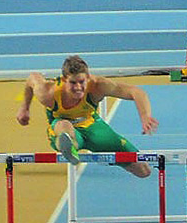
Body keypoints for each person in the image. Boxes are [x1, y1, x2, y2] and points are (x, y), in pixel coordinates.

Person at [16, 56, 158, 179]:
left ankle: (99, 152)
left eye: (81, 82)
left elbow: (136, 92)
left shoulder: (98, 86)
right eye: (73, 83)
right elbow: (32, 78)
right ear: (64, 80)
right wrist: (24, 108)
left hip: (91, 125)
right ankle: (69, 148)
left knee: (143, 170)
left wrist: (145, 116)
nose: (78, 87)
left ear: (88, 78)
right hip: (62, 127)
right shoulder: (48, 92)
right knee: (64, 126)